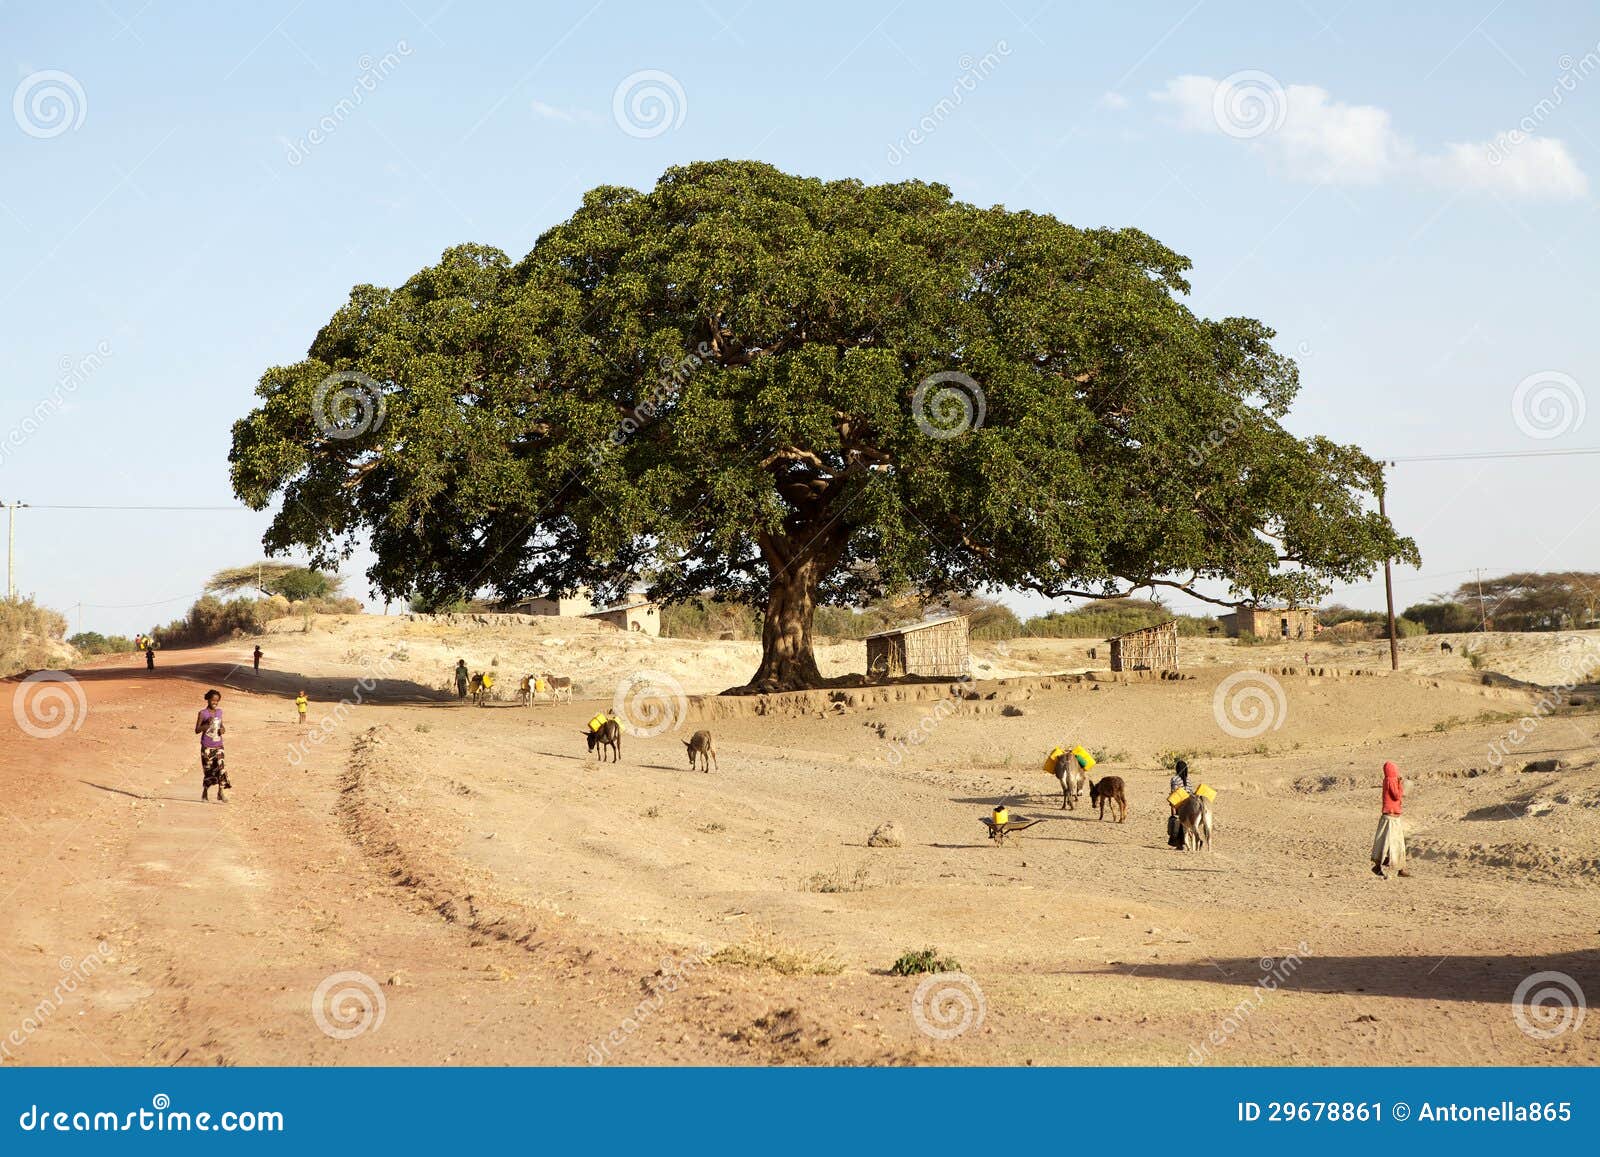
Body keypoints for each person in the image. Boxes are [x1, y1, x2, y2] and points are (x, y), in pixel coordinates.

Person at [1371, 761, 1410, 878]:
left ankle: (1384, 866)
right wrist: (1400, 784)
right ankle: (1399, 868)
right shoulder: (1391, 780)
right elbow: (1397, 796)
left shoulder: (1387, 780)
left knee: (1385, 842)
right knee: (1397, 843)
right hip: (1391, 818)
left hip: (1390, 816)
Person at [194, 689, 232, 802]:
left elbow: (222, 726)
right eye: (213, 700)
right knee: (209, 770)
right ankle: (205, 792)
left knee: (221, 768)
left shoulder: (219, 712)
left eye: (217, 701)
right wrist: (206, 724)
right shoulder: (202, 713)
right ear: (208, 700)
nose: (215, 702)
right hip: (207, 746)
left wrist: (222, 730)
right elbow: (197, 730)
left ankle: (221, 792)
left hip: (219, 745)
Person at [1167, 759, 1192, 849]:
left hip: (1179, 804)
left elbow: (1174, 792)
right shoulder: (1189, 780)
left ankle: (1179, 844)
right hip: (1189, 804)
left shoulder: (1174, 779)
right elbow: (1191, 792)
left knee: (1176, 822)